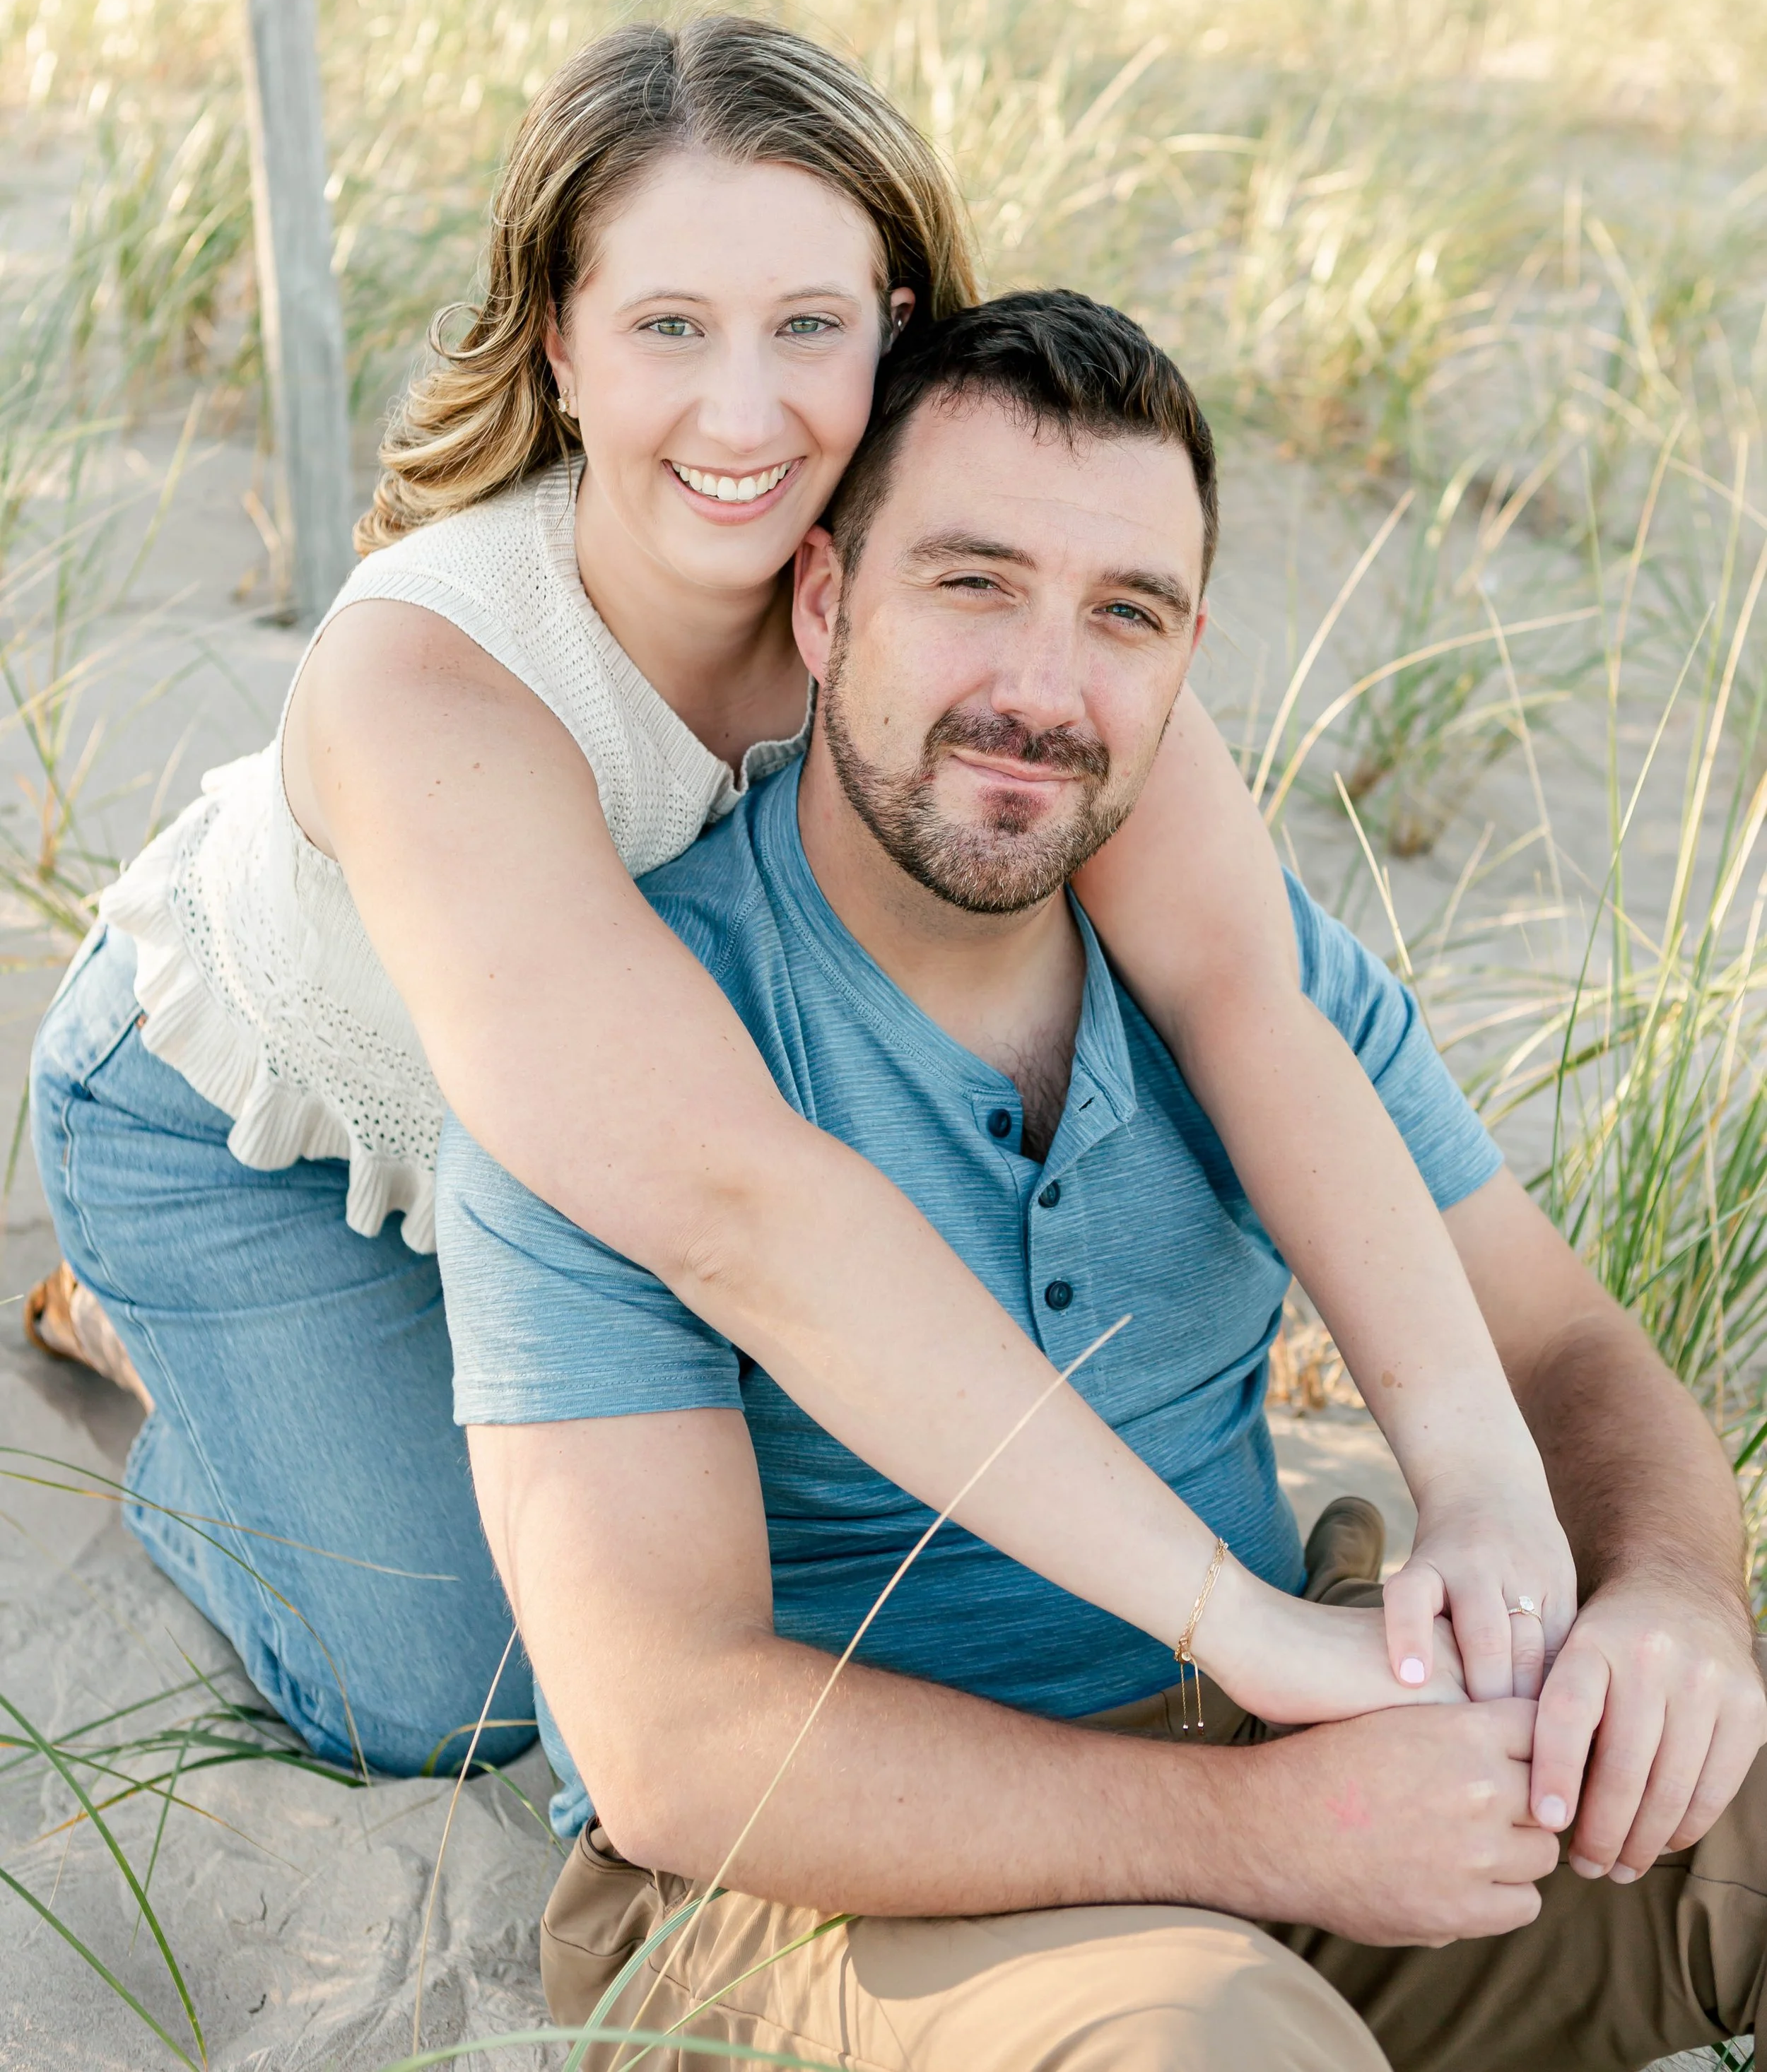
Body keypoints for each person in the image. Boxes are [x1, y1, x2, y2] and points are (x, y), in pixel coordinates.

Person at [31, 17, 1562, 1783]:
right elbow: (736, 1209)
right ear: (563, 343)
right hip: (255, 1135)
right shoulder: (433, 689)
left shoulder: (960, 601)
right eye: (669, 326)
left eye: (809, 329)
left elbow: (1244, 1002)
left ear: (894, 325)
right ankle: (158, 1369)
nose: (745, 416)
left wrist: (1480, 1484)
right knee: (463, 1693)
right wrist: (1241, 1625)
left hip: (590, 1152)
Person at [439, 291, 1767, 2072]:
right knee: (1210, 2043)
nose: (1042, 693)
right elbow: (677, 1742)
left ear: (1185, 655)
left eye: (1120, 616)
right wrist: (1254, 1838)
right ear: (825, 604)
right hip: (831, 1894)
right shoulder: (618, 1055)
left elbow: (1563, 1347)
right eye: (972, 584)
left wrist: (1671, 1598)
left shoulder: (1240, 978)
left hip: (1294, 1749)